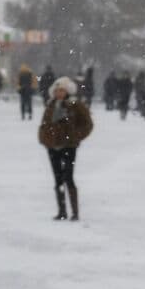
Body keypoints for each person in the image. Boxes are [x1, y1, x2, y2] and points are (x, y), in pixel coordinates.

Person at [38, 76, 92, 222]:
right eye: (57, 90)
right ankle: (62, 211)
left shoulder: (75, 105)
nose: (59, 93)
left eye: (61, 90)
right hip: (52, 147)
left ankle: (74, 212)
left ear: (67, 91)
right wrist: (44, 138)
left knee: (68, 177)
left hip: (69, 146)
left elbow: (87, 124)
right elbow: (44, 124)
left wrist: (76, 136)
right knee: (57, 179)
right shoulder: (51, 105)